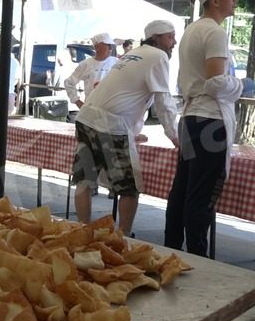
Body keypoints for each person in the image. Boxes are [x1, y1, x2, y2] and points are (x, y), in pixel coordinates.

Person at [72, 19, 180, 236]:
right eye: (170, 36)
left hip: (87, 118)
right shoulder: (158, 57)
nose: (174, 42)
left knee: (84, 180)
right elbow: (163, 101)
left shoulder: (134, 54)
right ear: (156, 38)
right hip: (110, 125)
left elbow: (125, 95)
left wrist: (131, 133)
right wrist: (175, 138)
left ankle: (82, 231)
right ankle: (122, 238)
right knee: (129, 189)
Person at [164, 0, 243, 257]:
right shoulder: (215, 32)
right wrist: (241, 84)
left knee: (183, 188)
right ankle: (198, 257)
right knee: (201, 194)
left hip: (191, 118)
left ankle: (171, 247)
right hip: (209, 120)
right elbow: (215, 82)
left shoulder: (191, 31)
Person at [64, 32, 119, 109]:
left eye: (111, 46)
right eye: (107, 45)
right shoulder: (86, 64)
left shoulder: (117, 62)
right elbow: (69, 83)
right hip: (91, 111)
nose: (110, 49)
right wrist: (78, 102)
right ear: (97, 47)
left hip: (111, 110)